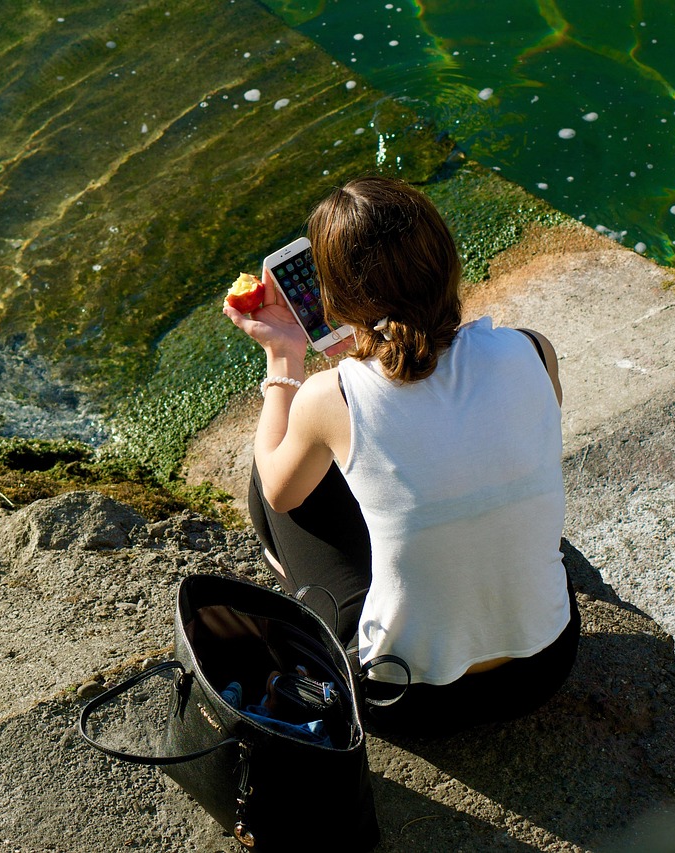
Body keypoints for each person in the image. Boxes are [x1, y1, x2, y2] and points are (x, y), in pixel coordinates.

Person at [222, 176, 579, 733]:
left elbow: (279, 491)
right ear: (448, 262)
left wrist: (284, 358)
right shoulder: (533, 350)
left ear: (337, 297)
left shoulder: (331, 396)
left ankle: (298, 580)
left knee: (277, 466)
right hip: (546, 662)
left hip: (410, 703)